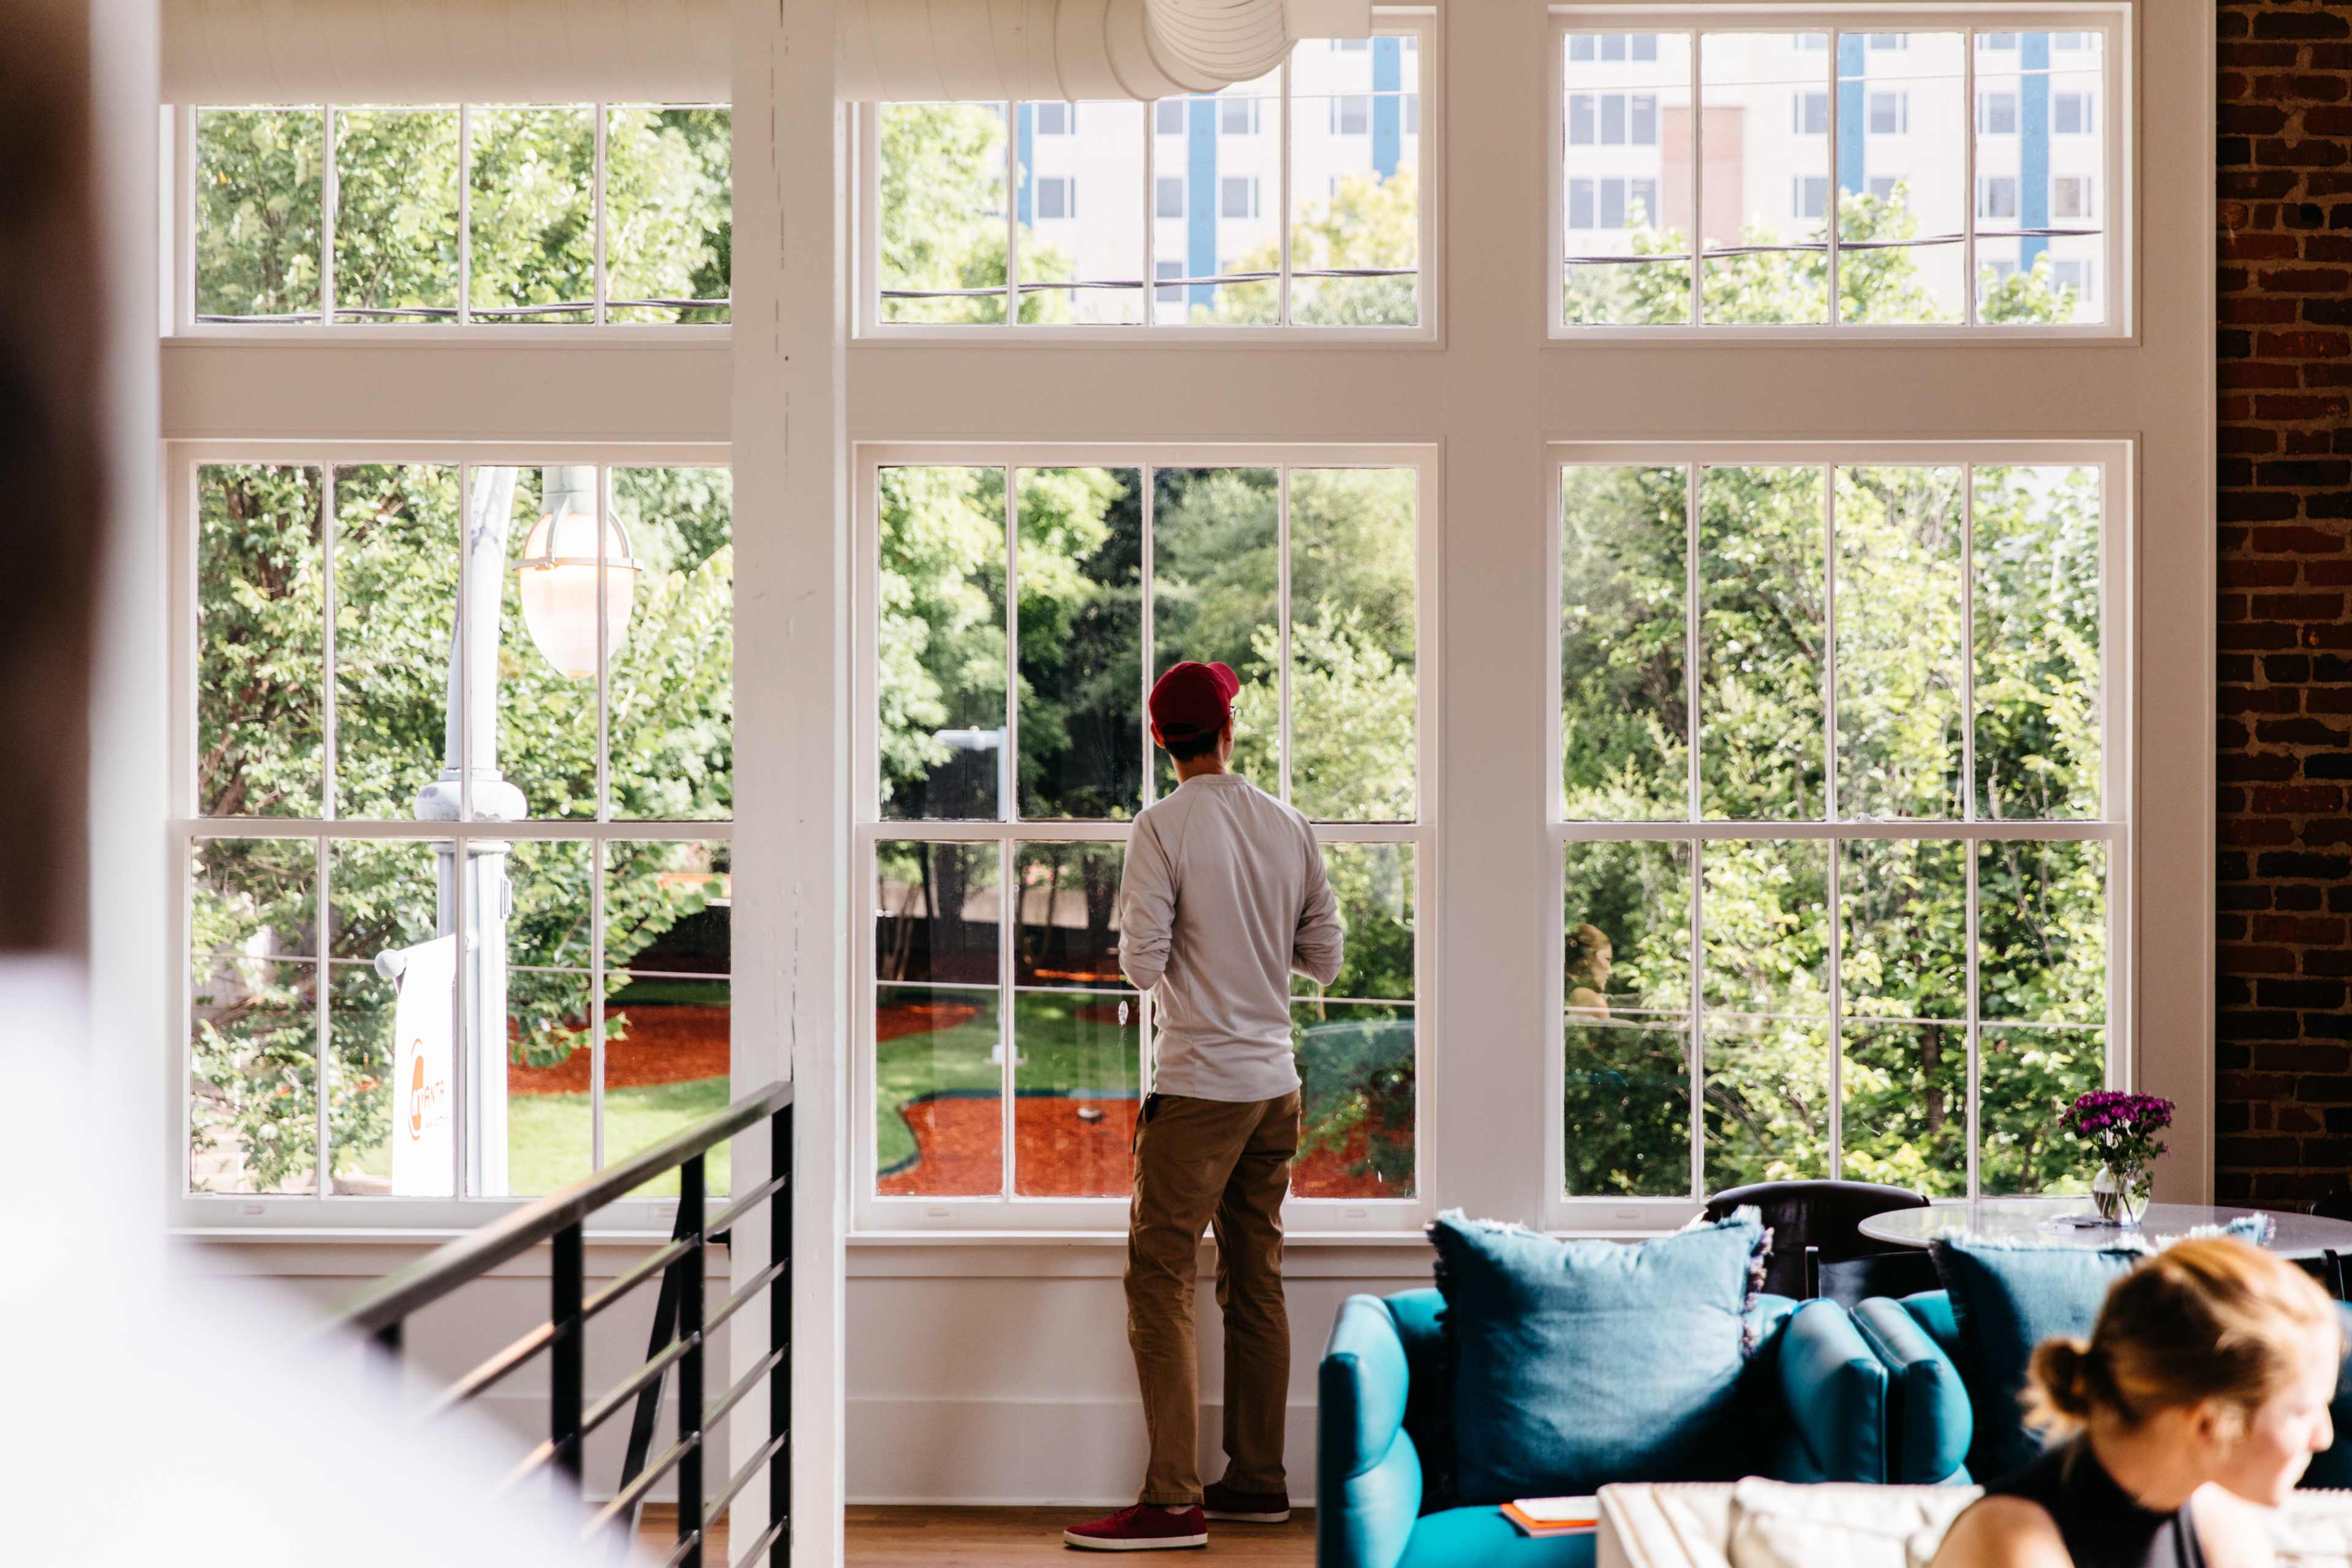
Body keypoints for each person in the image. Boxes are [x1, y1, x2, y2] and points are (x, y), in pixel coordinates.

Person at [1062, 660, 1345, 1553]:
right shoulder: (1286, 823)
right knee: (1254, 1279)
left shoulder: (1161, 826)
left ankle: (1174, 1500)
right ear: (1229, 728)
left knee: (1159, 1279)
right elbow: (1325, 955)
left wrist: (1182, 934)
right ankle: (1258, 1484)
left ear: (1160, 740)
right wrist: (1261, 940)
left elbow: (1142, 967)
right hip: (1275, 1090)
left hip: (1197, 1091)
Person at [1931, 1236, 2343, 1568]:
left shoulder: (2214, 1516)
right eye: (2302, 1412)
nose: (2323, 1438)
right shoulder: (2010, 1543)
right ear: (2207, 1423)